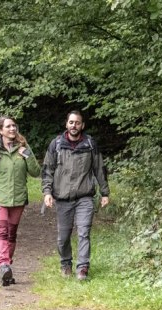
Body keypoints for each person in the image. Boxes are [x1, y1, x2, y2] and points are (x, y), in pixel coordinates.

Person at [41, 111, 109, 281]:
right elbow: (47, 170)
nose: (74, 126)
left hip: (84, 197)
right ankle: (65, 264)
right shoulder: (56, 144)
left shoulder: (90, 144)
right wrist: (47, 192)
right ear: (66, 124)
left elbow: (99, 169)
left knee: (84, 232)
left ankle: (82, 268)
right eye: (71, 122)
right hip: (63, 199)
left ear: (82, 125)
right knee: (63, 237)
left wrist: (105, 192)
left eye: (77, 123)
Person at [0, 115, 38, 287]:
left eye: (14, 126)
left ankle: (7, 268)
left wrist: (27, 156)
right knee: (2, 232)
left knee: (11, 234)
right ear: (0, 130)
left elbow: (35, 172)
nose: (12, 129)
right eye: (8, 126)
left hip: (18, 198)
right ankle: (3, 265)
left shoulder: (23, 147)